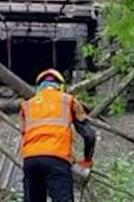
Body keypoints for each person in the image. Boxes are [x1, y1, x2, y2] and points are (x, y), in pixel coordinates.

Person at [20, 69, 97, 202]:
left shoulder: (27, 106)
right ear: (61, 86)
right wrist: (87, 160)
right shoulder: (68, 101)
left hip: (30, 160)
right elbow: (89, 135)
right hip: (57, 159)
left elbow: (24, 134)